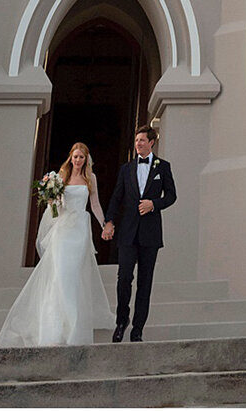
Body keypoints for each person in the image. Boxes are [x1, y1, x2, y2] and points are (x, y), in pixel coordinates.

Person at [0, 141, 110, 347]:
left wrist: (104, 224)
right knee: (60, 274)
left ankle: (74, 327)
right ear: (70, 157)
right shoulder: (62, 176)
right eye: (75, 157)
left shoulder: (90, 178)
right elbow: (55, 208)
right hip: (63, 230)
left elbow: (95, 204)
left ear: (86, 159)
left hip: (80, 230)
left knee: (74, 275)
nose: (77, 160)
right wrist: (52, 201)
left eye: (81, 157)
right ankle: (55, 327)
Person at [101, 123, 176, 342]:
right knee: (124, 277)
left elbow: (171, 196)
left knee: (145, 281)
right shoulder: (126, 169)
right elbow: (117, 197)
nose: (138, 144)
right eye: (136, 141)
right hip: (128, 232)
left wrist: (154, 204)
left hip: (150, 234)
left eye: (142, 140)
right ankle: (121, 321)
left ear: (151, 142)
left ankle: (138, 327)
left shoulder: (163, 167)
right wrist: (109, 221)